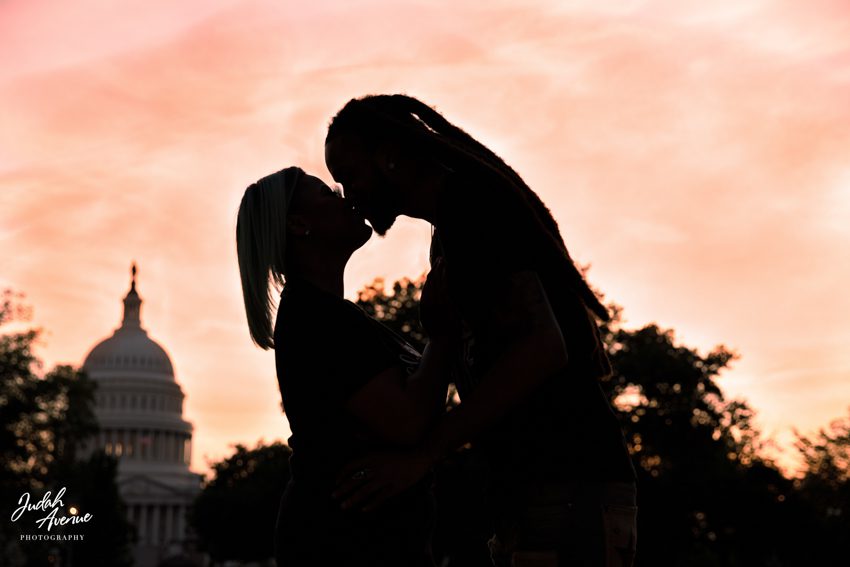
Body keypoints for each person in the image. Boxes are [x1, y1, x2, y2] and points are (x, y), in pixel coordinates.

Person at [325, 94, 639, 567]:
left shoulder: (472, 212)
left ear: (389, 157)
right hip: (542, 491)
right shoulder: (452, 225)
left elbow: (544, 347)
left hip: (568, 486)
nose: (349, 195)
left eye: (350, 176)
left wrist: (424, 455)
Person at [235, 166, 456, 566]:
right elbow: (408, 421)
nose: (347, 198)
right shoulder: (317, 321)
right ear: (299, 224)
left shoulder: (328, 316)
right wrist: (442, 334)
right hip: (346, 543)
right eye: (327, 194)